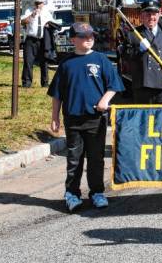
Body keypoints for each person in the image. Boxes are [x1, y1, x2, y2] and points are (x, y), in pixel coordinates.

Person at [48, 22, 125, 212]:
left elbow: (114, 85)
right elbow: (57, 93)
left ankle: (97, 192)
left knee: (96, 157)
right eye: (83, 36)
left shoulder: (101, 60)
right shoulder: (66, 63)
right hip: (73, 118)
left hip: (95, 119)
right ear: (73, 39)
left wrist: (104, 100)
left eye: (91, 36)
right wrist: (55, 117)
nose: (89, 39)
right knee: (74, 158)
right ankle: (72, 193)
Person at [123, 0, 162, 104]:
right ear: (142, 15)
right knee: (144, 119)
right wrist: (139, 50)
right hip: (143, 85)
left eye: (154, 14)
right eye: (148, 14)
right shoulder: (133, 34)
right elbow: (126, 56)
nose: (151, 17)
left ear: (159, 15)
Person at [21, 0, 54, 87]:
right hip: (31, 39)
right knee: (28, 61)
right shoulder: (29, 10)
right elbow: (23, 22)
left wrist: (49, 25)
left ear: (43, 3)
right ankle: (26, 83)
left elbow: (53, 24)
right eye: (36, 3)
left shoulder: (47, 12)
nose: (38, 5)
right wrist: (33, 15)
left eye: (40, 3)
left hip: (43, 40)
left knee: (44, 62)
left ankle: (45, 83)